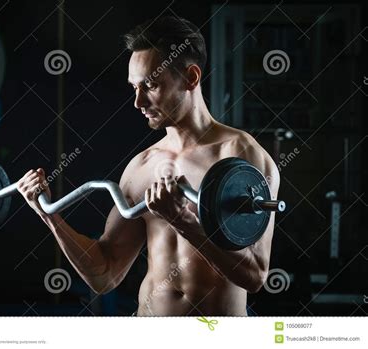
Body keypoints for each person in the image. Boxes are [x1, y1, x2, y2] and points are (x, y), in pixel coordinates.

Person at [18, 16, 280, 316]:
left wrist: (183, 221)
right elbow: (105, 274)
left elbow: (255, 276)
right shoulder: (142, 166)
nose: (138, 102)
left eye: (151, 85)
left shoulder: (241, 158)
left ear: (191, 78)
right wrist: (49, 215)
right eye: (134, 88)